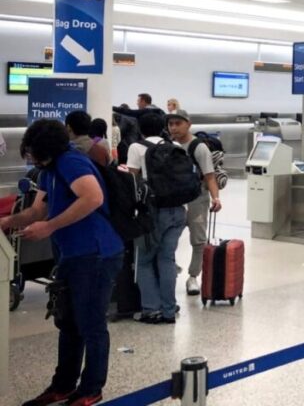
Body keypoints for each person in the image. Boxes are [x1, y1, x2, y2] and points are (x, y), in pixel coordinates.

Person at [1, 119, 123, 406]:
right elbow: (37, 210)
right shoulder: (49, 169)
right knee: (68, 322)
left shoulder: (71, 162)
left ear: (47, 148)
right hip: (72, 254)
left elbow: (93, 197)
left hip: (96, 253)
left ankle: (92, 388)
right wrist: (7, 221)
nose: (30, 157)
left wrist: (51, 227)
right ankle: (63, 385)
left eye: (33, 152)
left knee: (91, 324)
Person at [126, 113, 185, 324]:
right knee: (167, 259)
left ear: (140, 128)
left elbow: (132, 181)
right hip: (178, 210)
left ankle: (151, 310)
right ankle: (169, 310)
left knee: (144, 261)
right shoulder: (174, 145)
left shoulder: (136, 147)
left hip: (152, 212)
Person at [165, 109, 223, 297]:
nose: (173, 128)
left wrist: (216, 198)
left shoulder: (199, 147)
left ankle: (193, 276)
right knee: (168, 239)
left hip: (197, 199)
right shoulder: (166, 145)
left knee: (197, 239)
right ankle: (170, 267)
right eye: (171, 124)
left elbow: (209, 176)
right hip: (174, 199)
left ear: (188, 124)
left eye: (178, 123)